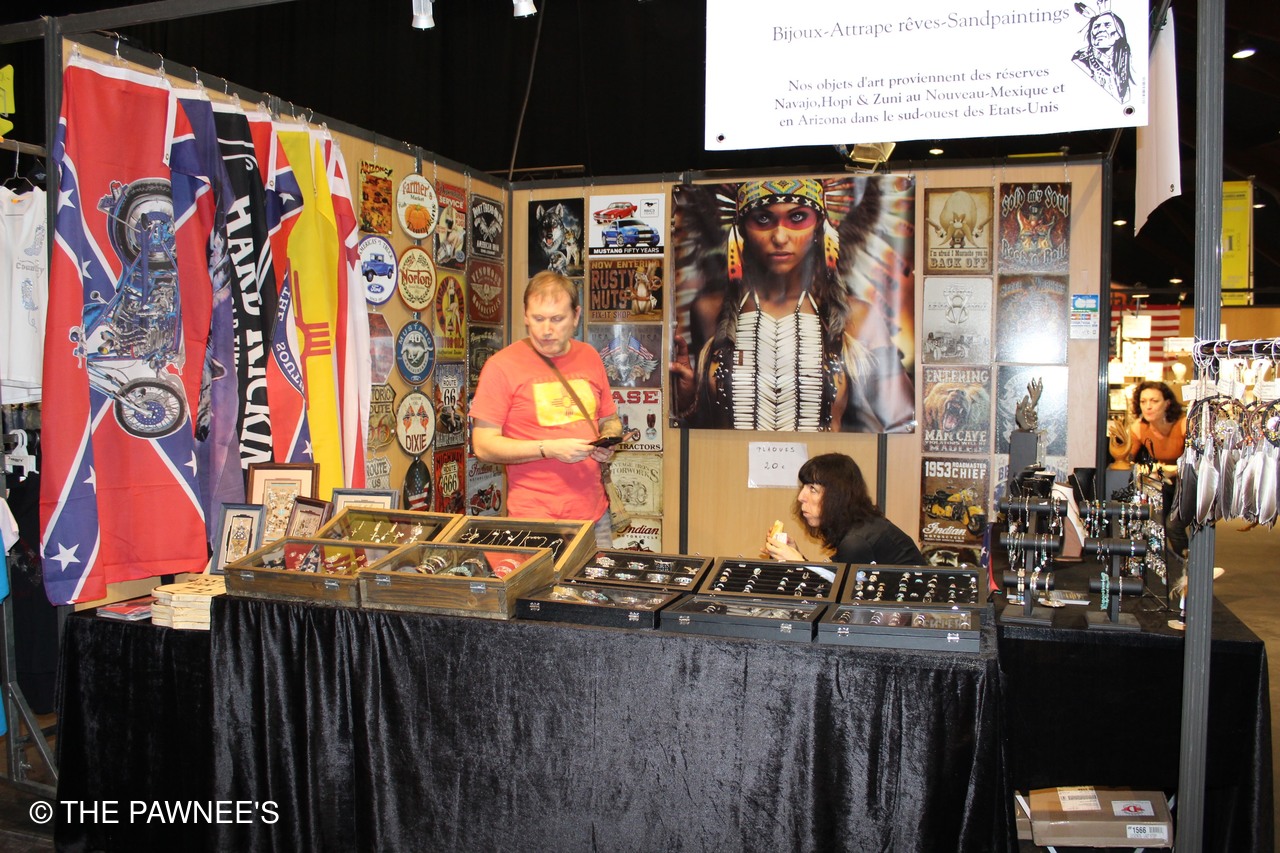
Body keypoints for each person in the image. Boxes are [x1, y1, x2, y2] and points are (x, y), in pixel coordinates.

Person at [669, 178, 914, 433]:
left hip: (822, 461)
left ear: (819, 226)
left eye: (797, 218)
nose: (780, 236)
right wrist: (687, 401)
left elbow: (904, 424)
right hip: (731, 459)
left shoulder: (858, 316)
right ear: (741, 228)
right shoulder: (709, 311)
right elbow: (707, 426)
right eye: (763, 219)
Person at [470, 270, 622, 547]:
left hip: (594, 516)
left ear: (575, 316)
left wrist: (607, 440)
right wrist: (547, 449)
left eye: (557, 319)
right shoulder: (501, 366)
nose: (546, 330)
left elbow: (609, 419)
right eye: (538, 319)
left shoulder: (589, 356)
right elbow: (483, 446)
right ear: (525, 316)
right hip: (534, 519)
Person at [764, 453, 924, 566]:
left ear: (836, 496)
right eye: (804, 487)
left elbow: (837, 598)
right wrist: (796, 556)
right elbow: (835, 582)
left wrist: (797, 562)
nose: (801, 497)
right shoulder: (860, 526)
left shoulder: (856, 542)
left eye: (812, 489)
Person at [1107, 380, 1188, 558]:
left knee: (1173, 525)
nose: (1148, 406)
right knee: (1156, 519)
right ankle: (1166, 561)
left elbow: (1194, 461)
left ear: (1167, 403)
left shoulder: (1182, 424)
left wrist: (1171, 469)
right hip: (1162, 484)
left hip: (1186, 483)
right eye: (1143, 401)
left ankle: (1188, 562)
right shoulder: (1139, 428)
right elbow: (1127, 458)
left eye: (1154, 401)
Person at [1071, 9, 1134, 103]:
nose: (1100, 30)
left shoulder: (1127, 58)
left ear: (1119, 33)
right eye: (1096, 26)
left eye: (1107, 25)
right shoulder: (1080, 60)